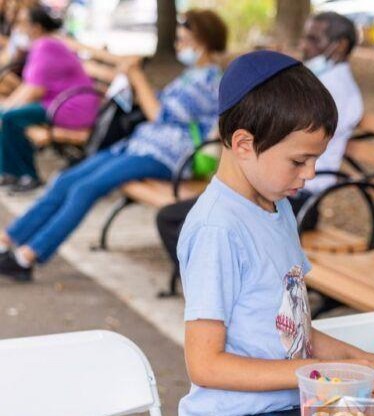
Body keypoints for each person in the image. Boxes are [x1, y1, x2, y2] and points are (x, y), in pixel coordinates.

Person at [177, 50, 374, 416]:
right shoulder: (218, 228)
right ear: (244, 144)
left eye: (315, 159)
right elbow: (206, 365)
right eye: (298, 161)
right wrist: (327, 372)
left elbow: (295, 333)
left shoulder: (278, 207)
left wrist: (364, 362)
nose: (310, 173)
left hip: (288, 414)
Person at [0, 9, 228, 281]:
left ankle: (27, 257)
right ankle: (7, 239)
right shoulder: (193, 74)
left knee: (85, 188)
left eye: (182, 39)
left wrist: (136, 76)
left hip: (167, 156)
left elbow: (160, 114)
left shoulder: (209, 81)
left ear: (200, 42)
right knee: (66, 179)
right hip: (140, 147)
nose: (178, 44)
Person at [156, 11, 364, 270]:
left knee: (175, 220)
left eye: (313, 39)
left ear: (340, 45)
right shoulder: (318, 82)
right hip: (285, 189)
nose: (303, 45)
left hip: (305, 199)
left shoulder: (332, 89)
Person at [0, 4, 99, 192]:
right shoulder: (42, 45)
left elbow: (34, 90)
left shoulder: (46, 46)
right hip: (57, 103)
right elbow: (29, 87)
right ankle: (9, 172)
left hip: (71, 107)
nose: (17, 27)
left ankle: (27, 175)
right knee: (7, 114)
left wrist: (7, 107)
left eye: (21, 23)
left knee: (10, 118)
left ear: (35, 27)